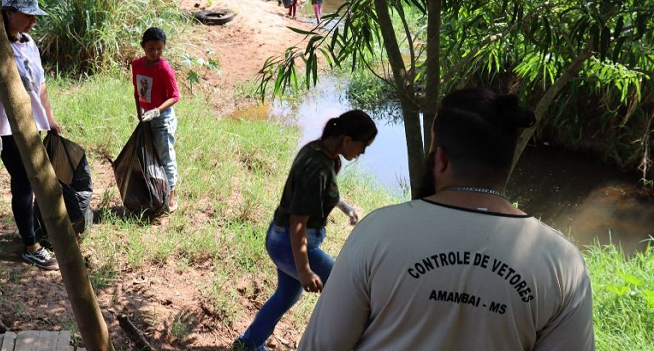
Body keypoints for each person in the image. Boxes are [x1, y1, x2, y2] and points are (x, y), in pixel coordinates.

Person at [298, 88, 595, 351]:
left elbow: (320, 345)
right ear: (506, 165)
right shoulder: (563, 263)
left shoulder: (378, 231)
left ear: (440, 159)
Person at [233, 110, 378, 351]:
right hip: (288, 242)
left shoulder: (326, 155)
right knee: (344, 289)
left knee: (287, 296)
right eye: (364, 146)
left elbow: (322, 193)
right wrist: (304, 270)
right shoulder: (316, 167)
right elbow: (297, 222)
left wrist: (346, 208)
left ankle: (248, 343)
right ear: (347, 140)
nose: (363, 152)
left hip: (284, 239)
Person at [0, 0, 61, 271]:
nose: (33, 21)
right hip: (8, 129)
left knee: (37, 178)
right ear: (8, 14)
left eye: (35, 16)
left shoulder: (28, 41)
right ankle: (30, 245)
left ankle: (39, 231)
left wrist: (50, 117)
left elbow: (41, 84)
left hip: (33, 124)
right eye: (27, 15)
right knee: (23, 180)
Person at [131, 27, 180, 212]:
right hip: (146, 117)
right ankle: (156, 193)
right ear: (143, 46)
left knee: (165, 156)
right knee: (150, 157)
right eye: (151, 48)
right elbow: (137, 92)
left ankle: (171, 197)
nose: (155, 52)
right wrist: (140, 113)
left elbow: (175, 96)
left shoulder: (164, 68)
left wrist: (156, 111)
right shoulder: (137, 65)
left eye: (159, 49)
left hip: (162, 120)